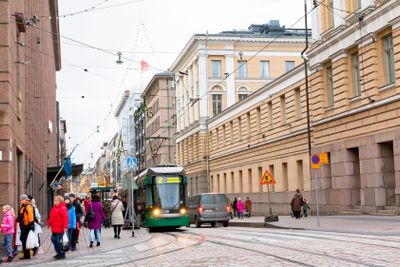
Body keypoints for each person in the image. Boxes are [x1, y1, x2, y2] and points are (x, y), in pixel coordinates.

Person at [47, 195, 68, 260]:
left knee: (58, 241)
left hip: (60, 228)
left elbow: (65, 218)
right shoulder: (54, 208)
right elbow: (52, 217)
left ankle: (61, 253)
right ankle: (59, 252)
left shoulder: (62, 208)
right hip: (54, 228)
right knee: (53, 240)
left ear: (60, 201)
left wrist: (65, 227)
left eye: (56, 200)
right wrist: (49, 223)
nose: (55, 202)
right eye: (54, 200)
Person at [17, 194, 35, 259]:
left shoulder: (28, 206)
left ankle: (27, 255)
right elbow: (20, 215)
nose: (20, 201)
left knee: (25, 240)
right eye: (20, 200)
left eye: (21, 200)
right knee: (23, 239)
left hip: (26, 226)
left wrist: (31, 225)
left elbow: (31, 216)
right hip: (23, 226)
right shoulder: (23, 206)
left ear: (25, 199)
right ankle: (26, 254)